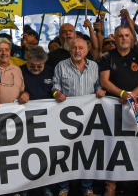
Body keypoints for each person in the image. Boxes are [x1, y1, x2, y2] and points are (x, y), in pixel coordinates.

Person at [98, 24, 138, 196]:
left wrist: (131, 95)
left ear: (132, 38)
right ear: (114, 37)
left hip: (136, 105)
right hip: (113, 105)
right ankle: (111, 184)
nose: (124, 39)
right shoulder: (107, 56)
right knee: (112, 144)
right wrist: (122, 93)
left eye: (127, 35)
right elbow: (104, 81)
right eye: (120, 36)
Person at [52, 37, 103, 196]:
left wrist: (100, 90)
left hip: (89, 118)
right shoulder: (61, 66)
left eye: (81, 48)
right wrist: (56, 94)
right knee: (65, 153)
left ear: (86, 51)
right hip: (66, 118)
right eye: (74, 48)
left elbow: (99, 85)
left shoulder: (94, 66)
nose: (77, 51)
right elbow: (55, 87)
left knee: (87, 153)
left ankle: (87, 187)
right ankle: (64, 188)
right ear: (70, 50)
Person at [0, 37, 25, 105]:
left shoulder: (18, 70)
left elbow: (21, 90)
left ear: (10, 52)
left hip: (16, 111)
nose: (4, 53)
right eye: (0, 50)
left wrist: (25, 95)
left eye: (7, 50)